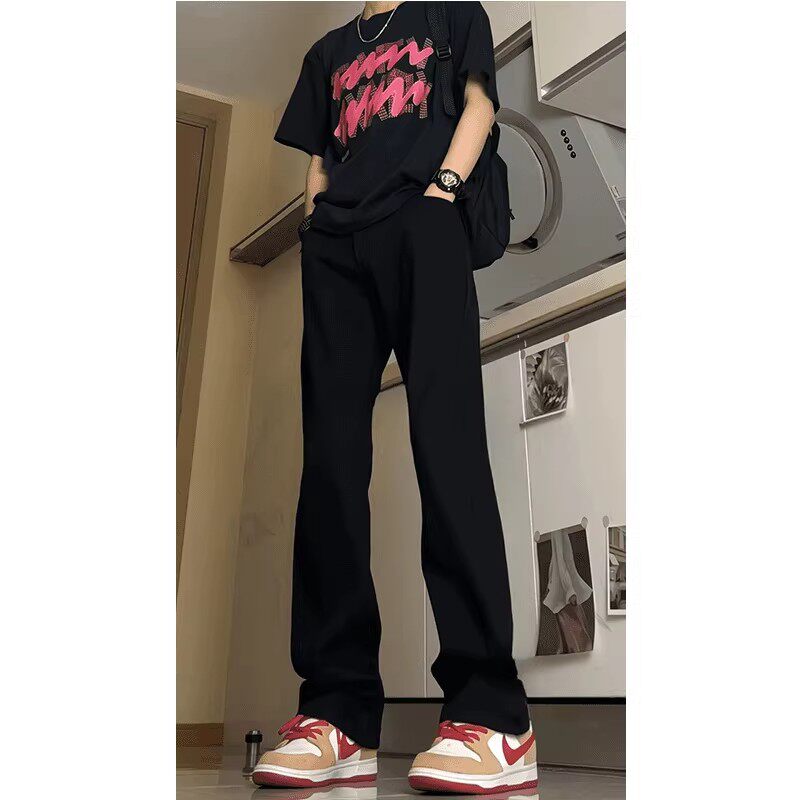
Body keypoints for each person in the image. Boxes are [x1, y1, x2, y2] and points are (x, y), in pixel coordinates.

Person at [252, 2, 536, 793]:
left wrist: (444, 189)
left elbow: (479, 105)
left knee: (448, 449)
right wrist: (317, 222)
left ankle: (491, 714)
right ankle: (336, 713)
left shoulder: (453, 13)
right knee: (330, 467)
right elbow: (322, 155)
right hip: (337, 247)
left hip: (425, 223)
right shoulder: (327, 52)